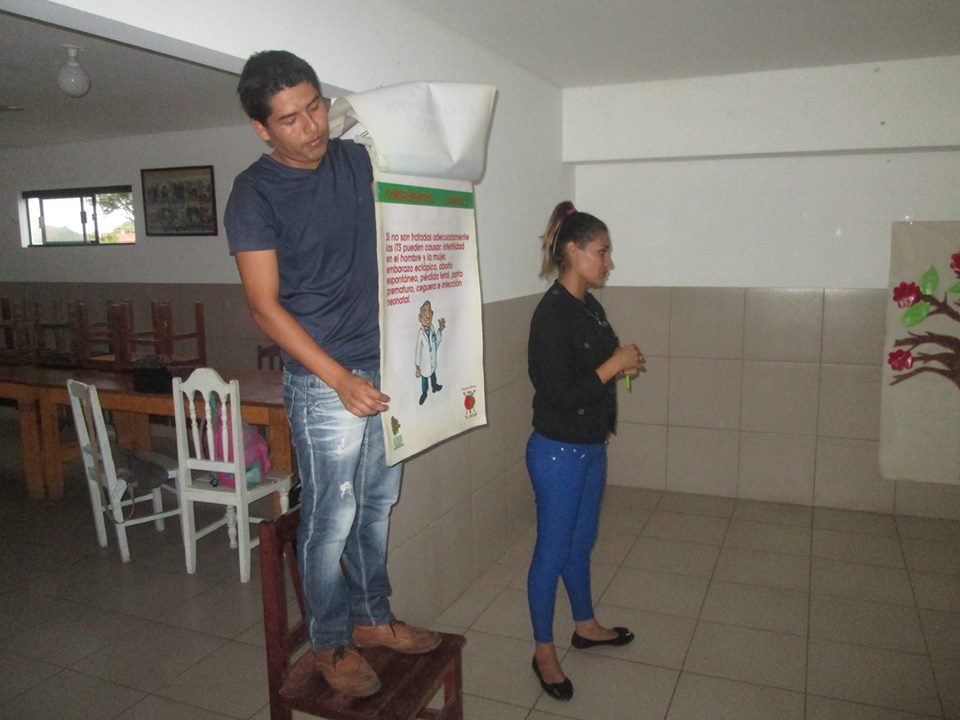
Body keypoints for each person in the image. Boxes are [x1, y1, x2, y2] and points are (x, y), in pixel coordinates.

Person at [224, 50, 440, 699]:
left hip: (385, 364)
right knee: (330, 515)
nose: (311, 126)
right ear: (262, 128)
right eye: (290, 118)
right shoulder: (254, 193)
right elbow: (264, 306)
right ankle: (330, 639)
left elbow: (425, 161)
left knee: (376, 504)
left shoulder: (354, 160)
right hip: (324, 383)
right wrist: (339, 379)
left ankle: (372, 617)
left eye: (315, 107)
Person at [526, 201, 645, 701]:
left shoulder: (589, 307)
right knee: (552, 552)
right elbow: (556, 394)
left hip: (590, 447)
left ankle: (585, 624)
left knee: (581, 543)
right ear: (573, 252)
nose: (609, 262)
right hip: (557, 452)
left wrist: (622, 361)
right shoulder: (551, 314)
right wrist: (613, 365)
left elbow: (595, 366)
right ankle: (543, 651)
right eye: (602, 252)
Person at [414, 300, 444, 405]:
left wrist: (440, 330)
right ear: (420, 317)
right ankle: (424, 393)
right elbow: (418, 350)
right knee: (424, 378)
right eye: (425, 311)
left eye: (430, 311)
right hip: (424, 364)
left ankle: (434, 386)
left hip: (432, 360)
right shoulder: (420, 333)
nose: (428, 314)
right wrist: (417, 367)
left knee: (433, 373)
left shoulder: (432, 327)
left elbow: (436, 343)